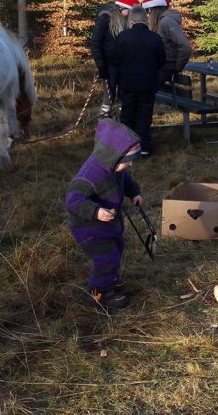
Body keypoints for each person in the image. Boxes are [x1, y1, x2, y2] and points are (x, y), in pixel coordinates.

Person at [66, 119, 144, 310]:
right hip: (90, 229)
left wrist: (134, 192)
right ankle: (101, 292)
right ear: (113, 156)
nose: (130, 164)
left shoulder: (113, 167)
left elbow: (125, 179)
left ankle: (110, 277)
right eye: (127, 160)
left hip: (108, 225)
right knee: (106, 258)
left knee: (117, 248)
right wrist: (96, 211)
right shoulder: (89, 177)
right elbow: (73, 200)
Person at [111, 5, 166, 156]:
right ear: (146, 19)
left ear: (131, 20)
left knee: (127, 114)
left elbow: (116, 59)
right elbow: (162, 60)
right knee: (144, 115)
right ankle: (144, 147)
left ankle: (126, 147)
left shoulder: (123, 37)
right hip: (147, 82)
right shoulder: (154, 38)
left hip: (127, 82)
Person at [90, 0, 138, 117]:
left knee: (125, 96)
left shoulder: (129, 22)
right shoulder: (105, 20)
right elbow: (96, 44)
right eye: (129, 10)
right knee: (109, 97)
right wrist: (101, 66)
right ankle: (104, 121)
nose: (130, 14)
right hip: (109, 65)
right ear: (121, 8)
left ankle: (123, 122)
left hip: (126, 66)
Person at [141, 0, 192, 84]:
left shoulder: (166, 22)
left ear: (154, 10)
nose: (147, 15)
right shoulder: (160, 22)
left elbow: (185, 47)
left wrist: (177, 67)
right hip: (159, 65)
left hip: (166, 66)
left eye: (148, 11)